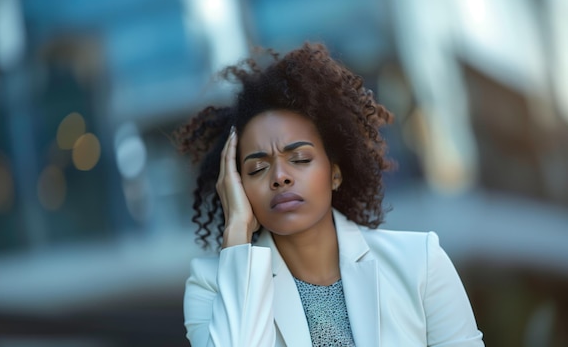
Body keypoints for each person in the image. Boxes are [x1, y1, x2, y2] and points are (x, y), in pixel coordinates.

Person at [174, 43, 484, 346]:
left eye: (300, 159)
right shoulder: (211, 286)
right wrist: (237, 230)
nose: (280, 177)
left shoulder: (420, 262)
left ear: (335, 173)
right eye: (257, 169)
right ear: (236, 186)